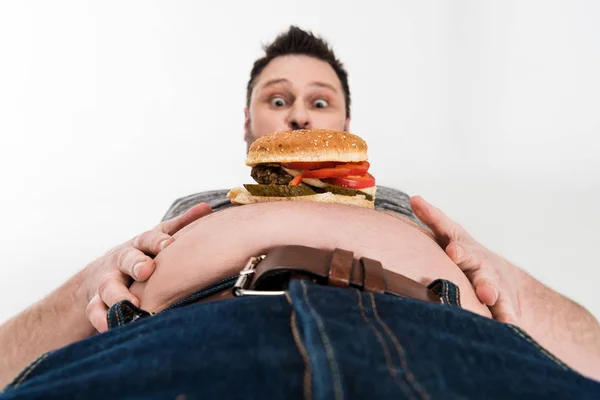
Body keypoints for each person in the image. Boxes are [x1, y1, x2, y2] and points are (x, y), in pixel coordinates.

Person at [0, 26, 598, 399]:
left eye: (320, 101)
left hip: (439, 337)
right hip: (178, 342)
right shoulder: (195, 210)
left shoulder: (402, 208)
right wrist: (92, 279)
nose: (299, 116)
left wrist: (494, 272)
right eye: (277, 98)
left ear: (344, 126)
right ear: (249, 126)